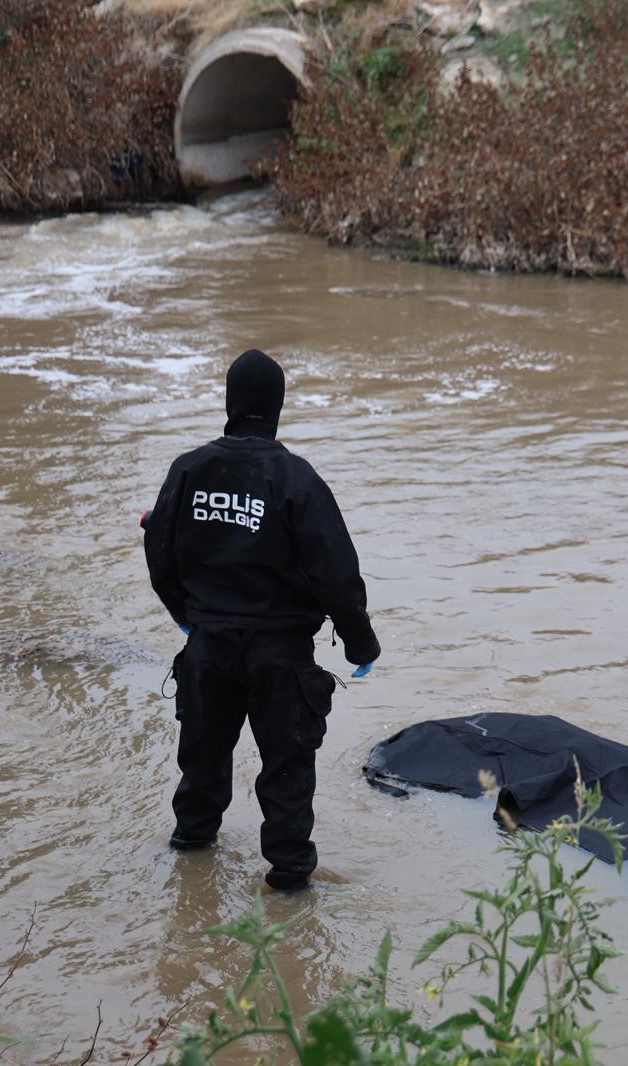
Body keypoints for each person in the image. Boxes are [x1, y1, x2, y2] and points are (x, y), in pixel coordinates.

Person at [143, 348, 380, 891]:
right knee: (287, 769)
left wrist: (186, 614)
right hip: (280, 654)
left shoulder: (188, 469)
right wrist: (360, 643)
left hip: (208, 649)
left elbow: (159, 548)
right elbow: (335, 570)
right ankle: (291, 885)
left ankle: (190, 864)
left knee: (200, 758)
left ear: (230, 403)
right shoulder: (295, 478)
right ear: (276, 406)